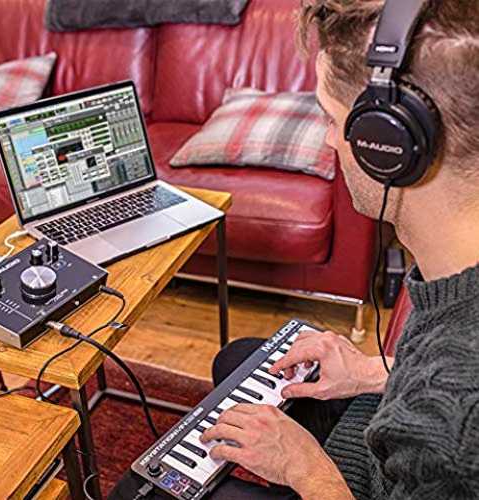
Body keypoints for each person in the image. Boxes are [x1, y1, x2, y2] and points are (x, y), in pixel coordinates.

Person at [111, 0, 479, 498]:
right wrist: (369, 373)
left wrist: (306, 470)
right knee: (242, 360)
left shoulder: (456, 429)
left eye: (332, 118)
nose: (328, 141)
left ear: (389, 147)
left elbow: (447, 411)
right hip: (379, 433)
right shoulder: (453, 269)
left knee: (141, 489)